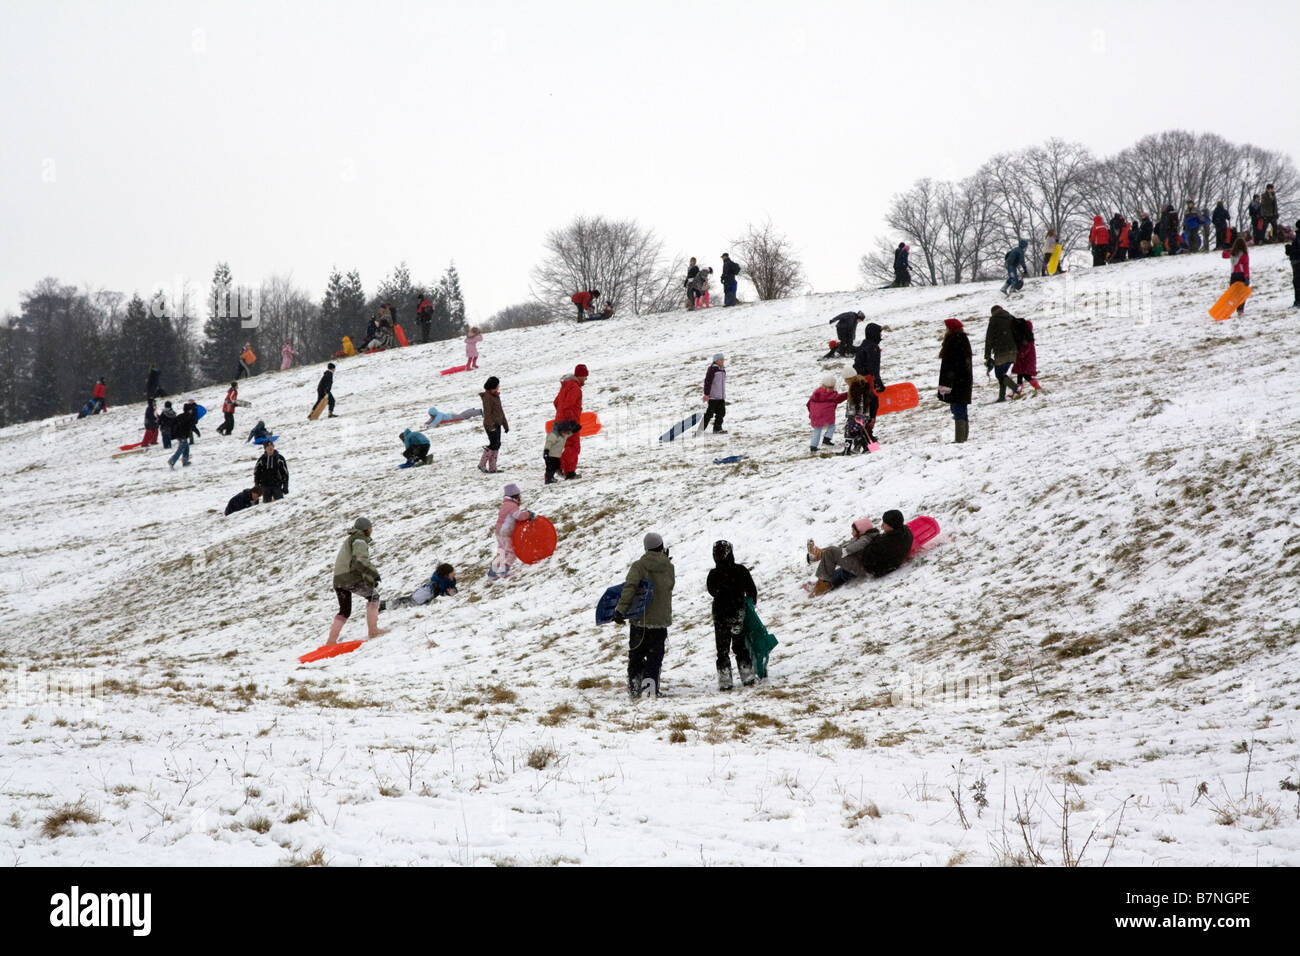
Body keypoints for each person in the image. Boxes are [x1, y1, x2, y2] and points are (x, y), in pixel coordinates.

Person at [610, 532, 676, 699]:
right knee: (655, 657)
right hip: (659, 621)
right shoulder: (669, 566)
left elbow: (630, 588)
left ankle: (635, 687)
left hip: (640, 620)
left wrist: (620, 609)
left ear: (646, 548)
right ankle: (650, 690)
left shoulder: (639, 566)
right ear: (661, 546)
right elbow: (669, 586)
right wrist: (665, 562)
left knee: (636, 655)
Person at [805, 511, 914, 596]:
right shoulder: (905, 532)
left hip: (868, 568)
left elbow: (868, 558)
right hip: (876, 563)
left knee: (832, 552)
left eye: (885, 524)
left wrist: (857, 550)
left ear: (892, 525)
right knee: (846, 552)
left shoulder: (886, 543)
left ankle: (823, 583)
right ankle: (821, 563)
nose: (882, 526)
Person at [327, 517, 388, 645]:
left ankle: (331, 641)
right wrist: (373, 574)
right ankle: (373, 630)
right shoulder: (359, 540)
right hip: (348, 577)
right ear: (366, 529)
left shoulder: (351, 539)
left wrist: (369, 577)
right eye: (370, 528)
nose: (371, 530)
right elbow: (360, 561)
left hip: (338, 579)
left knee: (345, 610)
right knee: (373, 597)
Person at [706, 540, 758, 691]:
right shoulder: (740, 570)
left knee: (722, 649)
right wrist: (748, 601)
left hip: (720, 614)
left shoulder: (714, 574)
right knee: (740, 646)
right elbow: (752, 591)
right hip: (738, 612)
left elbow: (712, 591)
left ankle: (725, 681)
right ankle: (747, 676)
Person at [489, 483, 535, 580]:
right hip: (506, 532)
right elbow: (518, 516)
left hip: (499, 531)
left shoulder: (505, 504)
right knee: (512, 552)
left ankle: (492, 572)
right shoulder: (512, 506)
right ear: (515, 495)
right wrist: (528, 514)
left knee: (502, 551)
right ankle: (504, 571)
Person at [937, 317, 973, 443]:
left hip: (956, 382)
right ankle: (963, 437)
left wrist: (946, 385)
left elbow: (950, 366)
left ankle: (960, 439)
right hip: (963, 381)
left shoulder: (953, 341)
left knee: (957, 409)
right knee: (961, 409)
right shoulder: (962, 339)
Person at [552, 364, 587, 479]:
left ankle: (561, 467)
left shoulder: (565, 386)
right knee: (573, 446)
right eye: (585, 376)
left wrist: (561, 416)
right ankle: (569, 471)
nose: (586, 379)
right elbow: (568, 406)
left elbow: (556, 402)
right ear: (580, 375)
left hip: (560, 421)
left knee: (568, 446)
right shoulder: (575, 389)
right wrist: (572, 421)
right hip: (570, 422)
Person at [985, 305, 1023, 402]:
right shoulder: (1010, 317)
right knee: (1002, 374)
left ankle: (1015, 387)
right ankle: (1001, 397)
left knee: (999, 375)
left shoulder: (994, 320)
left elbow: (989, 338)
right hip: (1013, 351)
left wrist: (987, 355)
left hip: (1001, 351)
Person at [807, 374, 847, 451]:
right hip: (827, 416)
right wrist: (847, 394)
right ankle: (827, 439)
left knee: (817, 430)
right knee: (831, 426)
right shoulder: (832, 395)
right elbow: (839, 398)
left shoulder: (816, 393)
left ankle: (813, 446)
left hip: (816, 415)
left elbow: (809, 403)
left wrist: (811, 413)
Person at [841, 373, 878, 454]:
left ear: (849, 378)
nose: (845, 381)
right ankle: (848, 450)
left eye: (845, 379)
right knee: (854, 431)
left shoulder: (856, 387)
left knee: (855, 431)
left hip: (857, 415)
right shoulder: (860, 385)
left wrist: (856, 415)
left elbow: (859, 403)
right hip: (859, 414)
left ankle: (867, 448)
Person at [391, 563, 458, 608]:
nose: (453, 574)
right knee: (395, 605)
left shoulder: (443, 582)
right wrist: (449, 592)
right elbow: (442, 592)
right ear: (446, 575)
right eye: (451, 573)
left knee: (397, 603)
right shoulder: (438, 584)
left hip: (416, 597)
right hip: (416, 600)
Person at [478, 376, 507, 473]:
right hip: (491, 425)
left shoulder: (495, 395)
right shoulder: (487, 397)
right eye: (497, 385)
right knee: (493, 444)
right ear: (492, 386)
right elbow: (487, 413)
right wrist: (491, 427)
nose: (499, 387)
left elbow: (500, 411)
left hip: (497, 423)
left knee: (497, 444)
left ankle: (493, 468)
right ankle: (482, 464)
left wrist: (505, 424)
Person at [852, 321, 885, 392]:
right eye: (879, 332)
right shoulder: (873, 347)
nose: (881, 335)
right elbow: (873, 366)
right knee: (871, 399)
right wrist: (877, 381)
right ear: (874, 333)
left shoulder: (864, 344)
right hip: (867, 378)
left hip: (858, 378)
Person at [1011, 314, 1040, 394]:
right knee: (1020, 374)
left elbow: (1026, 348)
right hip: (1024, 358)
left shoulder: (1026, 338)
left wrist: (1022, 354)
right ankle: (1018, 391)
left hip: (1025, 358)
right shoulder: (1028, 336)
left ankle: (1035, 386)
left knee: (1024, 375)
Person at [1222, 235, 1250, 316]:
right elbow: (1245, 266)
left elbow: (1224, 255)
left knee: (1233, 294)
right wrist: (1247, 277)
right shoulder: (1244, 255)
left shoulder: (1232, 254)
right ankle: (1240, 310)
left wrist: (1225, 247)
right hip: (1241, 275)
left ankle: (1229, 309)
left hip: (1233, 275)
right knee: (1242, 294)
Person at [698, 354, 727, 434]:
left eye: (723, 360)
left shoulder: (722, 370)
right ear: (716, 360)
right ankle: (700, 430)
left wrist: (723, 395)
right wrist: (706, 394)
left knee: (721, 413)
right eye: (721, 360)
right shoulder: (712, 369)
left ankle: (717, 429)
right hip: (713, 397)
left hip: (721, 397)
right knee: (709, 414)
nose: (722, 361)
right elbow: (708, 382)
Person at [543, 419, 578, 484]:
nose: (566, 434)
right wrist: (546, 451)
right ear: (561, 430)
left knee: (557, 465)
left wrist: (574, 430)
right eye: (566, 432)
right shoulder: (553, 435)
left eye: (567, 432)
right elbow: (548, 442)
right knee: (551, 468)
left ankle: (558, 472)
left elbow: (568, 434)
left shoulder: (563, 434)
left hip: (556, 455)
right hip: (550, 455)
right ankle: (548, 478)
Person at [168, 401, 198, 469]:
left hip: (179, 434)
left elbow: (173, 423)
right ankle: (172, 461)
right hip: (181, 435)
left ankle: (185, 461)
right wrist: (197, 432)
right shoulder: (188, 417)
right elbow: (191, 426)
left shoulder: (181, 415)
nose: (191, 411)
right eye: (191, 410)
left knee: (186, 447)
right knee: (181, 448)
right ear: (188, 410)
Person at [1286, 221, 1300, 308]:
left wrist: (1289, 249)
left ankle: (1298, 301)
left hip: (1297, 262)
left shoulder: (1298, 237)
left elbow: (1297, 250)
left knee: (1297, 282)